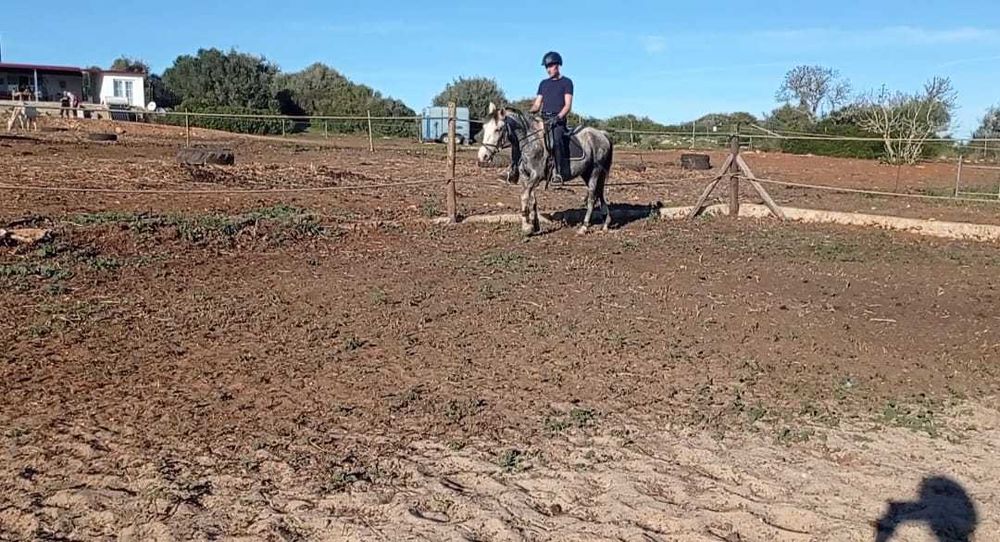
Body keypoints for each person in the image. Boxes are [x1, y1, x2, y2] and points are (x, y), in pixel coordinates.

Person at [531, 51, 573, 183]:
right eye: (546, 67)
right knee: (524, 137)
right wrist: (529, 112)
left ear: (558, 65)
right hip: (543, 119)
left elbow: (567, 106)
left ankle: (558, 172)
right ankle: (515, 168)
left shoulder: (567, 82)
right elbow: (537, 104)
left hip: (557, 120)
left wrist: (558, 117)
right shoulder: (543, 84)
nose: (548, 69)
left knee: (556, 140)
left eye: (550, 66)